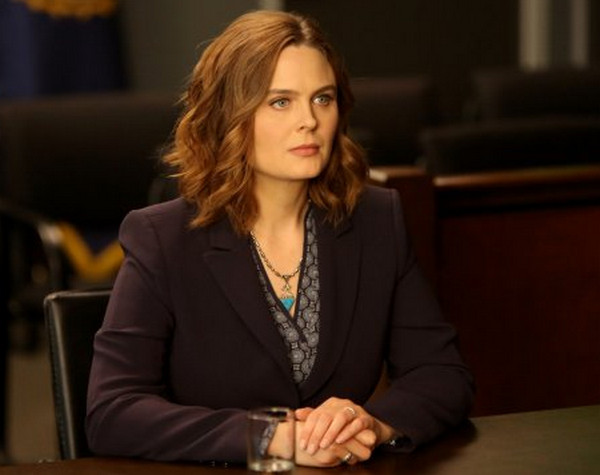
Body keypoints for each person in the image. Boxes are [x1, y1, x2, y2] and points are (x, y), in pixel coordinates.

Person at [86, 10, 473, 467]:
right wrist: (272, 436)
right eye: (280, 102)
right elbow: (112, 412)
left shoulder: (376, 220)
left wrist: (370, 422)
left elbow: (443, 375)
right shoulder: (162, 239)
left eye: (323, 98)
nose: (309, 120)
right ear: (229, 115)